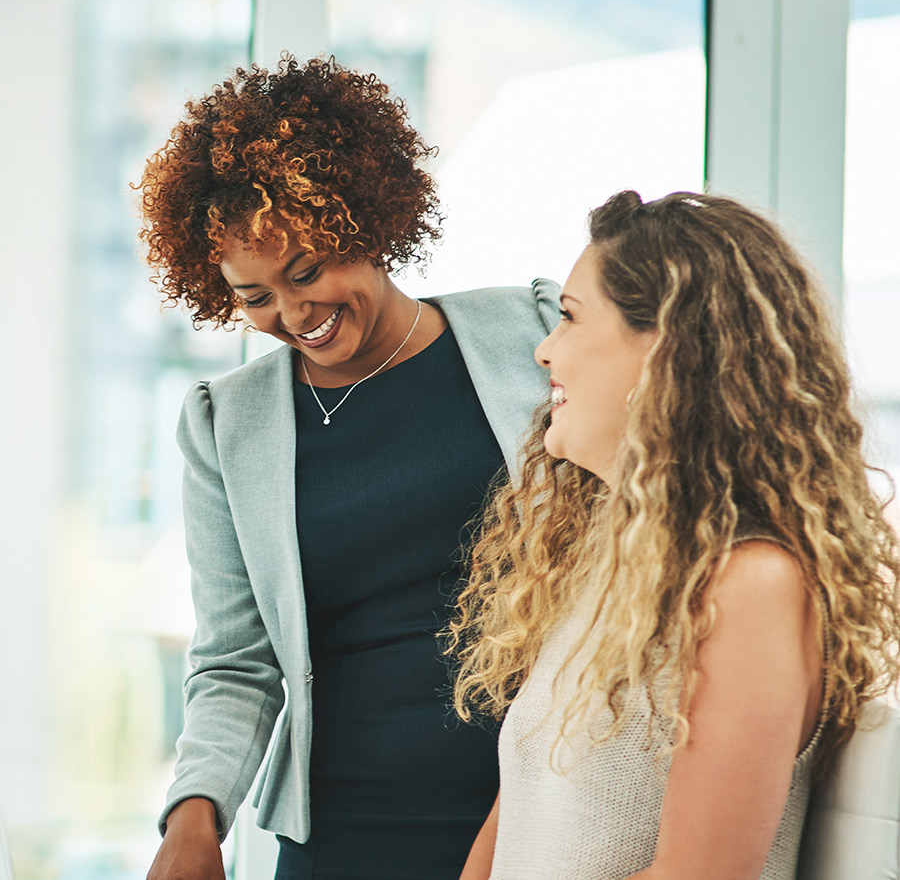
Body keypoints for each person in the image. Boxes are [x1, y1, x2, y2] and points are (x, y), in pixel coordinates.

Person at [135, 55, 558, 880]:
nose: (294, 316)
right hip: (343, 835)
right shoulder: (226, 427)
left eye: (305, 270)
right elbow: (235, 661)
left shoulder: (533, 334)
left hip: (540, 813)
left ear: (366, 223)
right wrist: (194, 818)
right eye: (253, 297)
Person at [449, 190, 900, 880]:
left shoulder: (752, 582)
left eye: (569, 319)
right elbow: (511, 830)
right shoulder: (599, 564)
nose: (545, 350)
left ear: (664, 349)